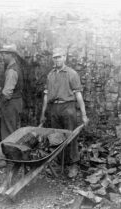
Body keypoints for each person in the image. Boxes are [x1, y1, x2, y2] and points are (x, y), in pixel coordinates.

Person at [40, 47, 89, 178]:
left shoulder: (72, 74)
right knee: (56, 137)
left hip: (68, 108)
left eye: (59, 57)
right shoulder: (50, 75)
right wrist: (43, 114)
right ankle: (59, 164)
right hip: (54, 109)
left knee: (70, 136)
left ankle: (73, 164)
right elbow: (46, 96)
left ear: (64, 58)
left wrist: (84, 114)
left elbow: (78, 95)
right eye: (55, 57)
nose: (57, 59)